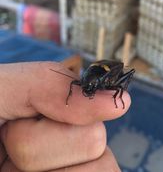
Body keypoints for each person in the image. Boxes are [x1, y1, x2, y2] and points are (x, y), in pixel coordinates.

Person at [0, 61, 131, 171]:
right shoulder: (84, 79)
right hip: (97, 71)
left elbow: (118, 89)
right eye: (86, 86)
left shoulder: (106, 80)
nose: (87, 91)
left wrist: (116, 97)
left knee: (119, 88)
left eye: (90, 87)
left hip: (109, 70)